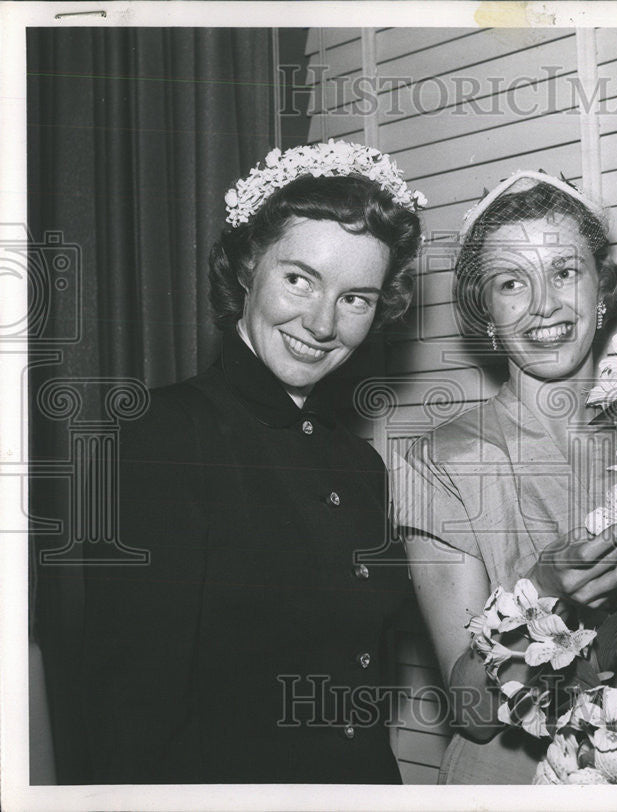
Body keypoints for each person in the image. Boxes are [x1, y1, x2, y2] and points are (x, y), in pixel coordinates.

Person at [82, 140, 425, 783]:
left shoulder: (360, 467)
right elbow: (132, 719)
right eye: (300, 278)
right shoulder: (160, 439)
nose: (321, 323)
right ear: (246, 266)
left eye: (356, 298)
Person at [393, 172, 617, 784]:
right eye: (513, 283)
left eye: (565, 271)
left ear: (602, 288)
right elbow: (471, 710)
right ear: (485, 314)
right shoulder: (441, 463)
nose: (544, 305)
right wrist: (542, 589)